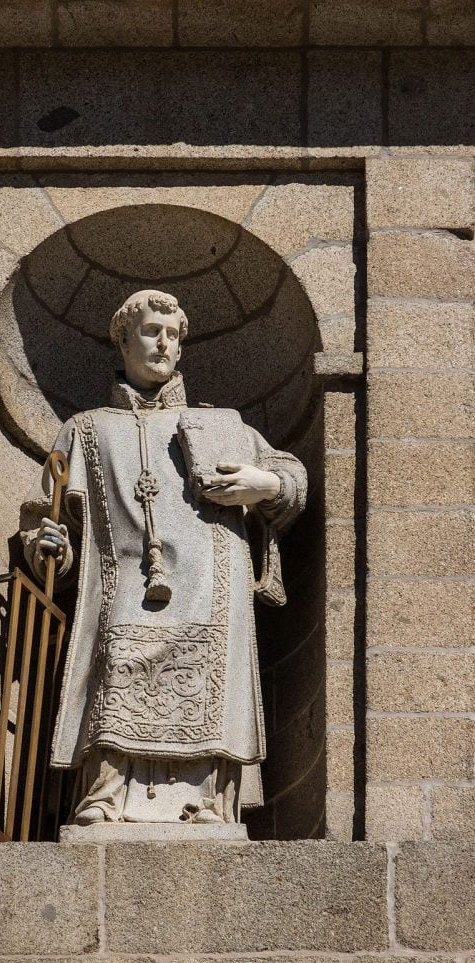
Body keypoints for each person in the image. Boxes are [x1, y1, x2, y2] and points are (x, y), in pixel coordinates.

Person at [21, 290, 306, 826]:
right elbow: (51, 522)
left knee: (208, 678)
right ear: (123, 340)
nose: (164, 343)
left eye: (174, 336)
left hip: (210, 589)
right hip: (124, 586)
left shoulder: (228, 426)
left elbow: (292, 478)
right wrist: (47, 549)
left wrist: (261, 482)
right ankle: (106, 795)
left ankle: (209, 803)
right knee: (118, 669)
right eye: (152, 331)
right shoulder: (85, 429)